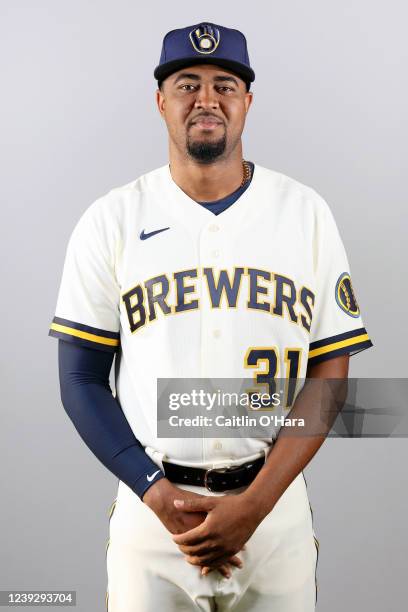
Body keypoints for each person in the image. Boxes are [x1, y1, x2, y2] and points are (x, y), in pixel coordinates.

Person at [49, 21, 373, 612]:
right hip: (153, 515)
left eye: (225, 85)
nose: (206, 99)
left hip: (273, 512)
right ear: (160, 102)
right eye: (187, 84)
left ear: (247, 102)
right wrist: (152, 490)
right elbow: (79, 379)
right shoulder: (111, 220)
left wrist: (256, 504)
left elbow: (329, 379)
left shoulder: (305, 213)